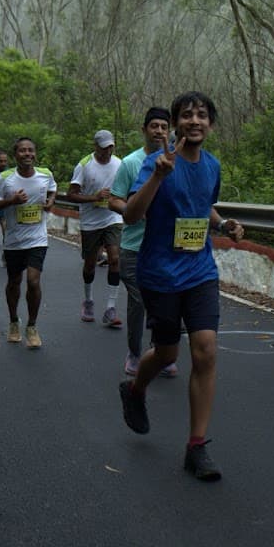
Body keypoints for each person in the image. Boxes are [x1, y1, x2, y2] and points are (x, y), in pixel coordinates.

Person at [117, 91, 244, 481]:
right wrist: (158, 175)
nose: (195, 121)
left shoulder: (213, 166)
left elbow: (203, 204)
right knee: (168, 351)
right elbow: (133, 216)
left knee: (205, 350)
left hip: (200, 271)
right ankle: (136, 389)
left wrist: (223, 225)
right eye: (187, 115)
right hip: (159, 272)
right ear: (175, 124)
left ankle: (196, 446)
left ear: (211, 124)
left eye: (202, 115)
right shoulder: (157, 163)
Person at [109, 107, 178, 377]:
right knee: (140, 302)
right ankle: (135, 352)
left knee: (165, 303)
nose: (159, 131)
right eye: (154, 126)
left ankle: (160, 353)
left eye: (164, 126)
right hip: (135, 247)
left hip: (167, 248)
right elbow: (114, 199)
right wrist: (135, 209)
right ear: (144, 130)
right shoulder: (130, 163)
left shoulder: (177, 161)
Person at [0, 137, 57, 349]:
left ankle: (32, 326)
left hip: (38, 239)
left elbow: (52, 189)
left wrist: (51, 202)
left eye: (31, 150)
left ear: (35, 153)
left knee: (33, 281)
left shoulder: (45, 174)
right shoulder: (5, 178)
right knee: (14, 282)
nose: (27, 154)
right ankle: (13, 321)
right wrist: (11, 201)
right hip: (14, 241)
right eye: (23, 151)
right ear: (15, 155)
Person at [67, 130, 125, 327]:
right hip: (91, 221)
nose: (108, 151)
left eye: (111, 146)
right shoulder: (84, 165)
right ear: (96, 147)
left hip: (112, 217)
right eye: (103, 147)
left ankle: (110, 308)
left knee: (115, 258)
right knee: (90, 265)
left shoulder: (119, 164)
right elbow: (71, 194)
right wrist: (95, 197)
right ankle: (88, 300)